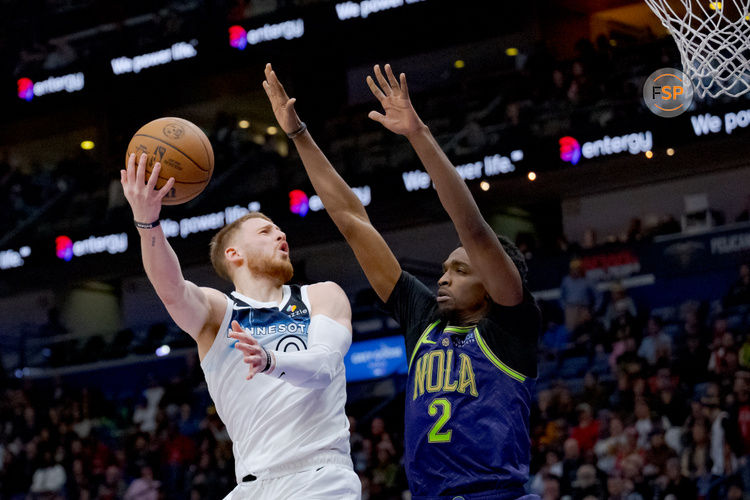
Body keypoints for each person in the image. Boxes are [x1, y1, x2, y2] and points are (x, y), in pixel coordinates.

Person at [263, 63, 540, 499]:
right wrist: (298, 133)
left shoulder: (511, 324)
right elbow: (353, 221)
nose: (444, 278)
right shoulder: (424, 317)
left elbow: (471, 226)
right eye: (447, 268)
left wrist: (418, 135)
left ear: (491, 284)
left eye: (461, 271)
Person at [119, 153, 360, 499]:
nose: (280, 235)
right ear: (234, 254)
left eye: (280, 230)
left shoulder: (321, 296)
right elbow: (171, 290)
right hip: (251, 485)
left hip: (319, 477)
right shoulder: (220, 312)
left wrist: (270, 360)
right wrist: (147, 223)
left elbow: (323, 367)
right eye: (265, 231)